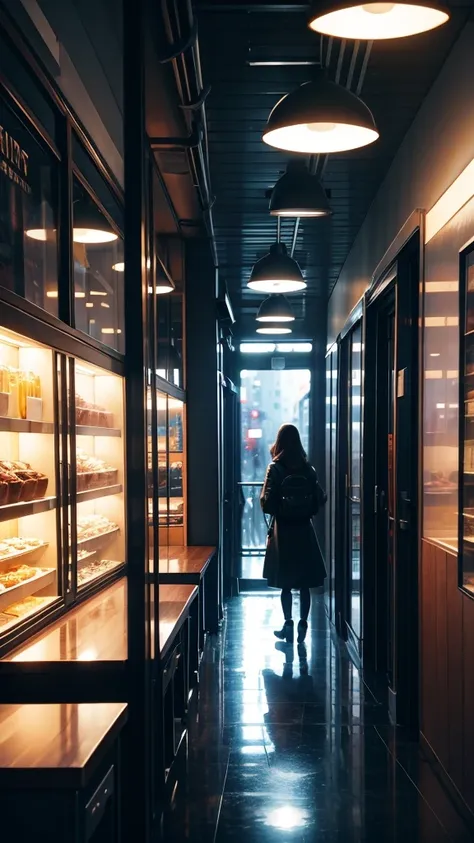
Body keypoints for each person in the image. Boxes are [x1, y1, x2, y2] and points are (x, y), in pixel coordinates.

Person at [260, 423, 326, 644]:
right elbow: (320, 499)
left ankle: (288, 623)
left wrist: (280, 507)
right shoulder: (308, 470)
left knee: (286, 582)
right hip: (304, 530)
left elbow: (267, 504)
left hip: (284, 531)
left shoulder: (275, 468)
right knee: (305, 582)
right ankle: (303, 624)